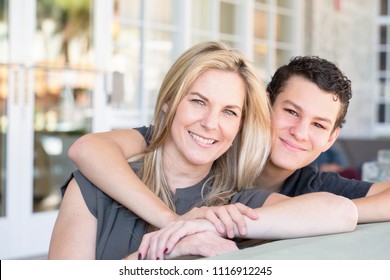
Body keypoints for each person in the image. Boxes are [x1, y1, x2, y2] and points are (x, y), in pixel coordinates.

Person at [51, 43, 358, 260]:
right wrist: (167, 248)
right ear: (168, 103)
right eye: (198, 101)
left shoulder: (234, 203)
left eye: (229, 112)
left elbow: (340, 212)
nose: (211, 124)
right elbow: (88, 148)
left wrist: (205, 224)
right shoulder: (94, 186)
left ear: (241, 124)